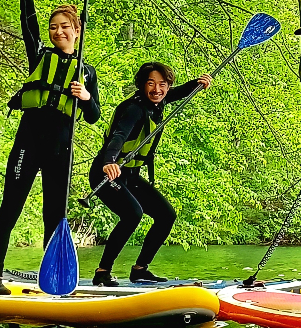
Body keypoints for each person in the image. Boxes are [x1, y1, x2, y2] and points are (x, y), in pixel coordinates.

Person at [0, 0, 101, 294]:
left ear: (76, 31)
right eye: (54, 27)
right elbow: (27, 18)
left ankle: (51, 282)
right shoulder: (39, 56)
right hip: (29, 143)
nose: (57, 31)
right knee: (11, 208)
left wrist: (84, 98)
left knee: (54, 216)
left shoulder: (87, 72)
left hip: (60, 152)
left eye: (64, 26)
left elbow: (94, 116)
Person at [87, 61, 212, 285]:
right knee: (132, 214)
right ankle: (102, 272)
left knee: (166, 215)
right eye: (151, 84)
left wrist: (197, 84)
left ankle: (140, 269)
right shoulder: (134, 109)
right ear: (142, 85)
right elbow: (118, 136)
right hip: (106, 173)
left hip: (130, 175)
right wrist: (109, 162)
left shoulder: (159, 100)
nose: (157, 90)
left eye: (162, 84)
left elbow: (174, 93)